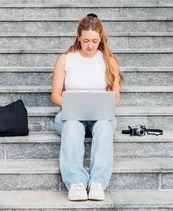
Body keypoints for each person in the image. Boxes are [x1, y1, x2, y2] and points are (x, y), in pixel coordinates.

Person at [50, 13, 124, 201]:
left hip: (100, 116)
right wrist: (72, 106)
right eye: (85, 41)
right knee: (73, 126)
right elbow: (56, 95)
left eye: (94, 41)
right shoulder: (65, 59)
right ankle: (75, 181)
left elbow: (115, 98)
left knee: (104, 126)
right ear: (78, 37)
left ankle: (98, 182)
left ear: (101, 39)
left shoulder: (109, 61)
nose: (90, 45)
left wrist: (103, 105)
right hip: (69, 115)